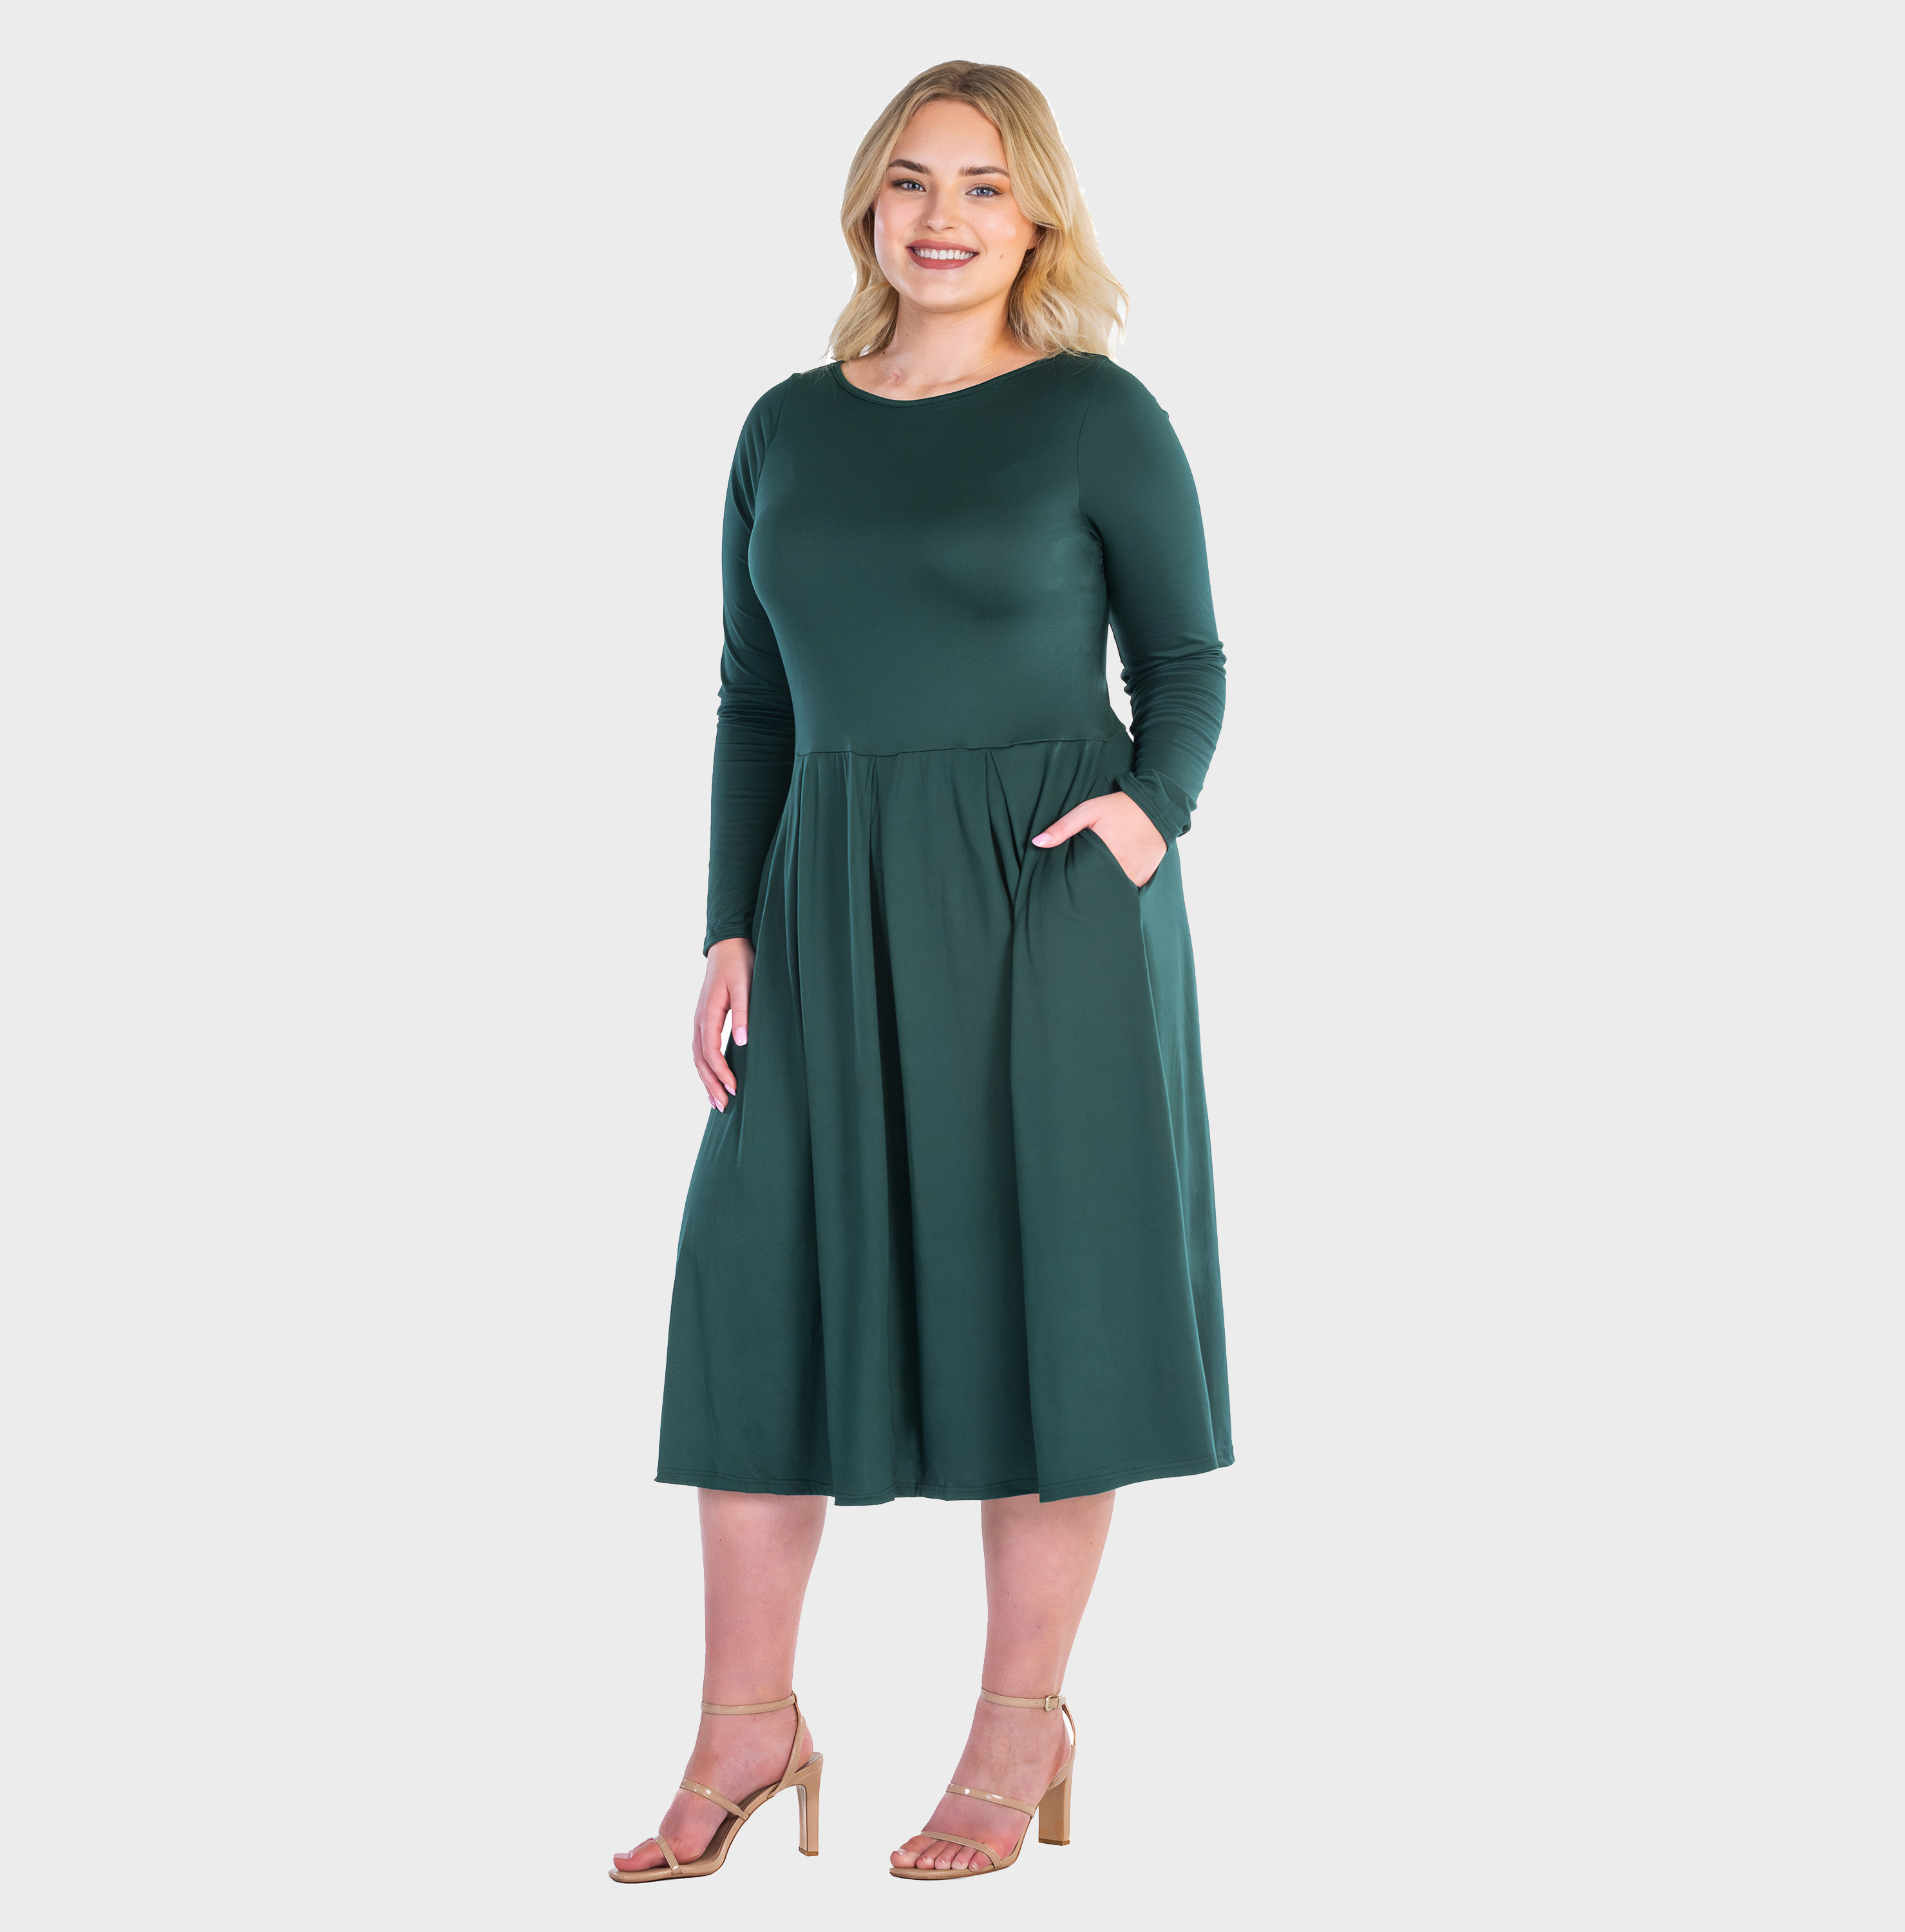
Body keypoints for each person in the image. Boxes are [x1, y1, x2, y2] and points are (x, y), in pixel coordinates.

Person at [612, 58, 1231, 1885]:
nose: (940, 218)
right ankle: (747, 1725)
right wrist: (729, 925)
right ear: (867, 208)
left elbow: (1187, 660)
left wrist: (1149, 818)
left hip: (1045, 906)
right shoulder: (788, 427)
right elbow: (754, 699)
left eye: (981, 185)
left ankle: (1019, 1723)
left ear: (1037, 217)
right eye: (909, 181)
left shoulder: (1096, 412)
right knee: (756, 1294)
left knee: (1048, 1302)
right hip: (824, 905)